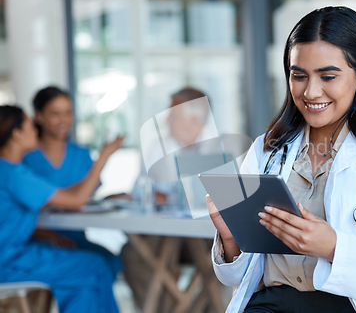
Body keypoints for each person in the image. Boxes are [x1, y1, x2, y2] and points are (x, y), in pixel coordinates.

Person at [206, 6, 356, 313]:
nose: (311, 92)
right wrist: (230, 239)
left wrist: (333, 247)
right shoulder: (268, 149)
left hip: (353, 305)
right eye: (298, 76)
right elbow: (239, 274)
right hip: (271, 304)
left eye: (328, 76)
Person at [0, 105, 124, 313]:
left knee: (89, 269)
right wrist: (104, 156)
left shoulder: (8, 170)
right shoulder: (16, 175)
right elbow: (75, 201)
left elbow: (60, 195)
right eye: (31, 126)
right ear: (17, 134)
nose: (35, 131)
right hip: (10, 261)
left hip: (13, 254)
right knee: (92, 265)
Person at [121, 86, 215, 312]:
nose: (166, 120)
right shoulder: (158, 147)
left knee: (230, 255)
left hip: (207, 235)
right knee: (133, 254)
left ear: (194, 117)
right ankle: (166, 308)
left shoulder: (219, 146)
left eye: (173, 114)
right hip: (165, 233)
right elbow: (142, 190)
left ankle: (206, 308)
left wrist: (171, 193)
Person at [23, 85, 122, 278]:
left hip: (76, 237)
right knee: (95, 265)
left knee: (111, 260)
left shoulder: (81, 155)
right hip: (39, 237)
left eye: (68, 113)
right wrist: (103, 157)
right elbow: (21, 210)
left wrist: (110, 198)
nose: (64, 120)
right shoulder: (24, 159)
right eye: (55, 114)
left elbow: (85, 198)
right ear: (39, 116)